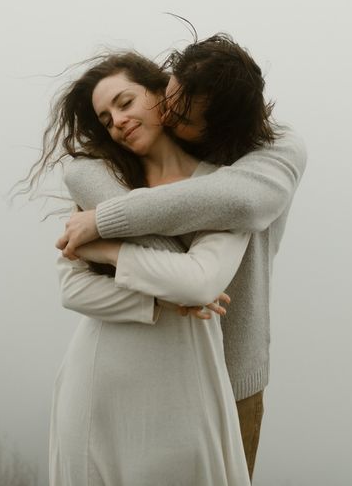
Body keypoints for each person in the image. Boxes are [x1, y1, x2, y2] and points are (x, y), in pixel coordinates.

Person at [58, 33, 307, 481]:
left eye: (180, 114)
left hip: (231, 373)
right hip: (132, 370)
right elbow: (71, 285)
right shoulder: (106, 174)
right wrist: (157, 300)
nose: (169, 115)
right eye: (169, 96)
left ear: (213, 127)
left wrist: (104, 231)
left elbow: (201, 271)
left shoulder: (258, 164)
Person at [37, 52, 252, 485]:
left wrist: (110, 253)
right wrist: (160, 301)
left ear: (161, 94)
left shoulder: (223, 187)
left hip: (184, 386)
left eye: (124, 102)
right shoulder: (105, 183)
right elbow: (71, 290)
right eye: (105, 116)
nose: (116, 120)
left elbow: (200, 282)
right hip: (96, 380)